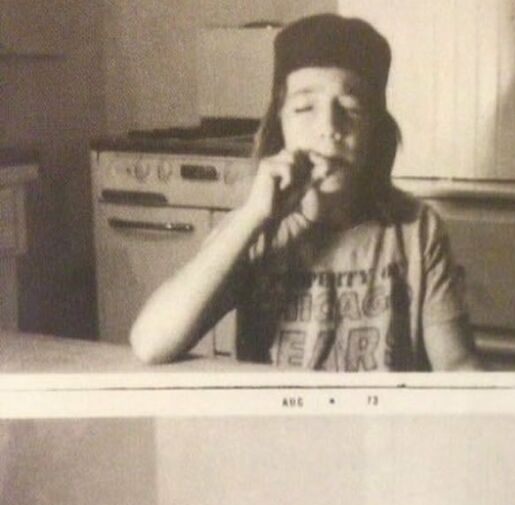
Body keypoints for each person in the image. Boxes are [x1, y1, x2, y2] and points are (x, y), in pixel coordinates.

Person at [130, 14, 479, 372]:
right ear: (278, 125)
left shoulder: (416, 230)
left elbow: (458, 365)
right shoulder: (253, 230)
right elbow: (150, 344)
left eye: (351, 108)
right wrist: (252, 217)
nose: (328, 128)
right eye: (304, 108)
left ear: (377, 130)